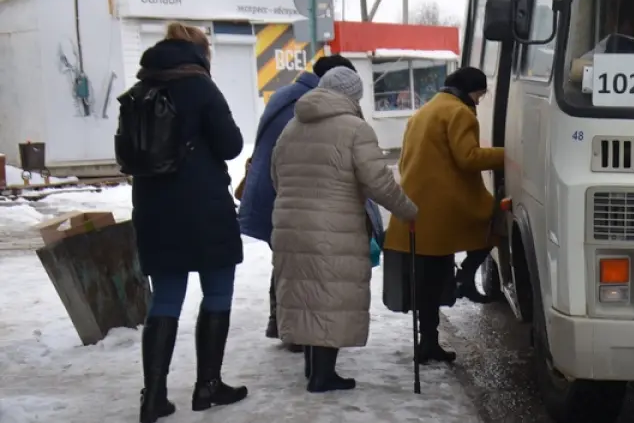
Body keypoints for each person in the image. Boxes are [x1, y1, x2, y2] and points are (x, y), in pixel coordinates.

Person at [126, 22, 248, 423]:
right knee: (217, 292)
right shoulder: (200, 86)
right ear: (199, 52)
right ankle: (207, 386)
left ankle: (153, 397)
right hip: (203, 208)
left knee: (164, 300)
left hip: (154, 209)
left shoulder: (142, 88)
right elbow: (231, 145)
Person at [270, 67, 419, 392]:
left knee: (308, 295)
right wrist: (407, 210)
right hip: (332, 224)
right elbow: (378, 183)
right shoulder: (355, 129)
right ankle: (323, 376)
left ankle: (314, 370)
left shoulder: (292, 127)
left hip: (290, 224)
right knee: (329, 295)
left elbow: (276, 177)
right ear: (353, 95)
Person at [383, 66, 505, 364]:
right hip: (445, 210)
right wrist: (508, 155)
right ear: (469, 90)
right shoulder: (460, 113)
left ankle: (428, 342)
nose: (479, 100)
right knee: (495, 223)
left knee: (427, 281)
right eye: (479, 94)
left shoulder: (423, 112)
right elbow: (468, 158)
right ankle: (464, 278)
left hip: (416, 209)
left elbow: (403, 161)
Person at [236, 53, 356, 350]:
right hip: (286, 197)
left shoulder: (287, 95)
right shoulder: (307, 105)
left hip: (269, 193)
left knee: (288, 263)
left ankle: (281, 325)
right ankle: (295, 332)